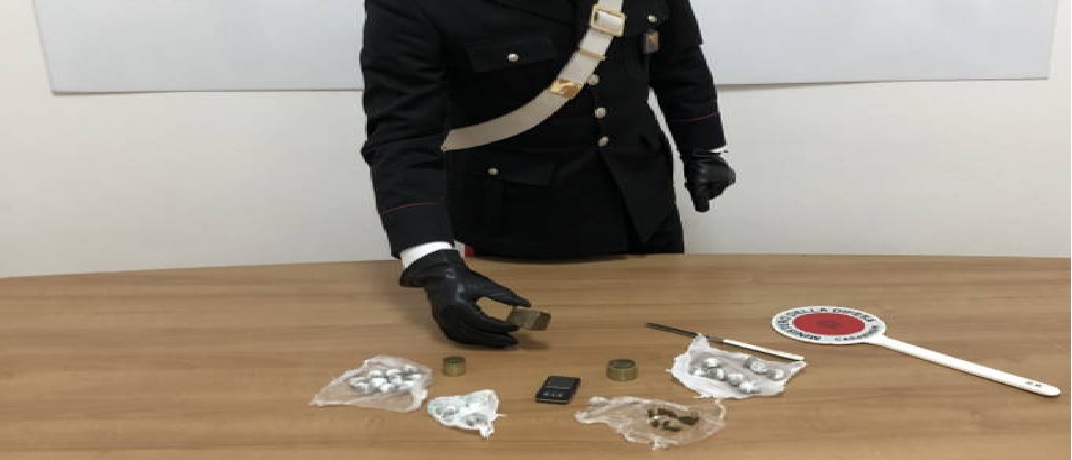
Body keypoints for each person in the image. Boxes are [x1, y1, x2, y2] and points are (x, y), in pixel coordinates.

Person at [360, 0, 735, 348]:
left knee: (659, 346)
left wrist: (704, 148)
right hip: (518, 226)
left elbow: (680, 63)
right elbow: (402, 137)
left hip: (643, 203)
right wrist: (432, 261)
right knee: (534, 366)